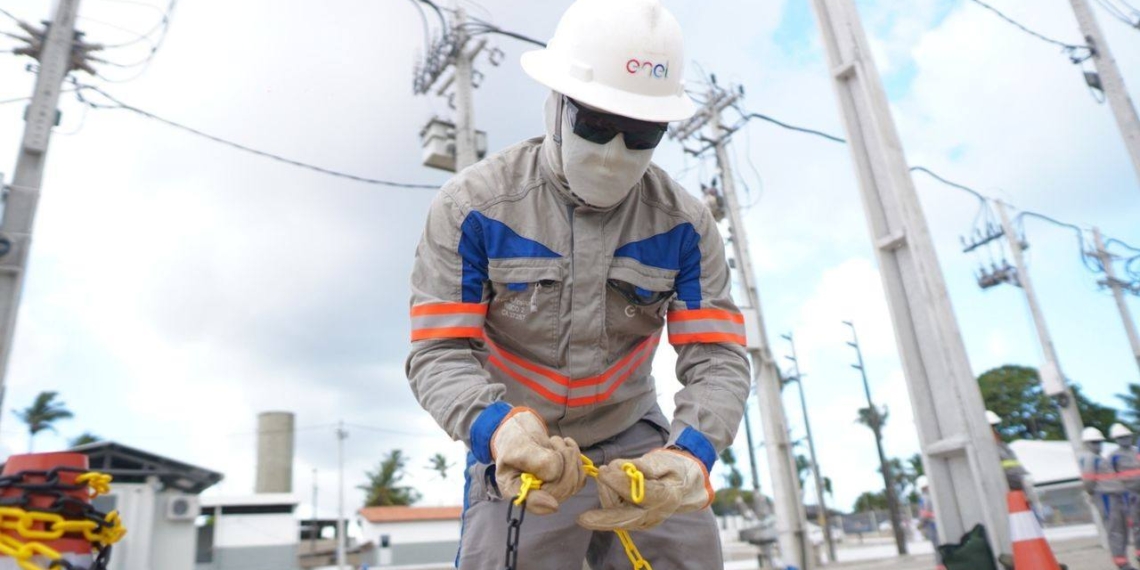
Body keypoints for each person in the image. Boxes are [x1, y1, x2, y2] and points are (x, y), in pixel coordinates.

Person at [405, 1, 751, 568]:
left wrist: (689, 457)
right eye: (594, 124)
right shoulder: (474, 209)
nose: (615, 154)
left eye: (641, 135)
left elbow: (717, 358)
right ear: (556, 106)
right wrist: (499, 432)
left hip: (638, 441)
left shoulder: (686, 228)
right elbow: (439, 353)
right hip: (518, 441)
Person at [1080, 427, 1135, 569]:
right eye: (1093, 442)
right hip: (1105, 497)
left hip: (1115, 496)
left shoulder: (1098, 457)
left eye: (1098, 442)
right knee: (1114, 529)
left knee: (1121, 529)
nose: (1097, 445)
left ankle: (1123, 560)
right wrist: (1093, 493)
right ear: (1086, 443)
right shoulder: (1089, 458)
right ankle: (1121, 563)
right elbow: (1088, 481)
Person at [1111, 423, 1140, 569]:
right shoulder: (1113, 456)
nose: (1125, 440)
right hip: (1129, 495)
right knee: (1136, 526)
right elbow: (1111, 477)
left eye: (1127, 437)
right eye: (1121, 438)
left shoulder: (1137, 451)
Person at [916, 476, 945, 570]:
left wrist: (920, 524)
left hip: (932, 526)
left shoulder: (924, 498)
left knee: (937, 548)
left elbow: (924, 514)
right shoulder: (936, 495)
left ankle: (940, 566)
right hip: (938, 524)